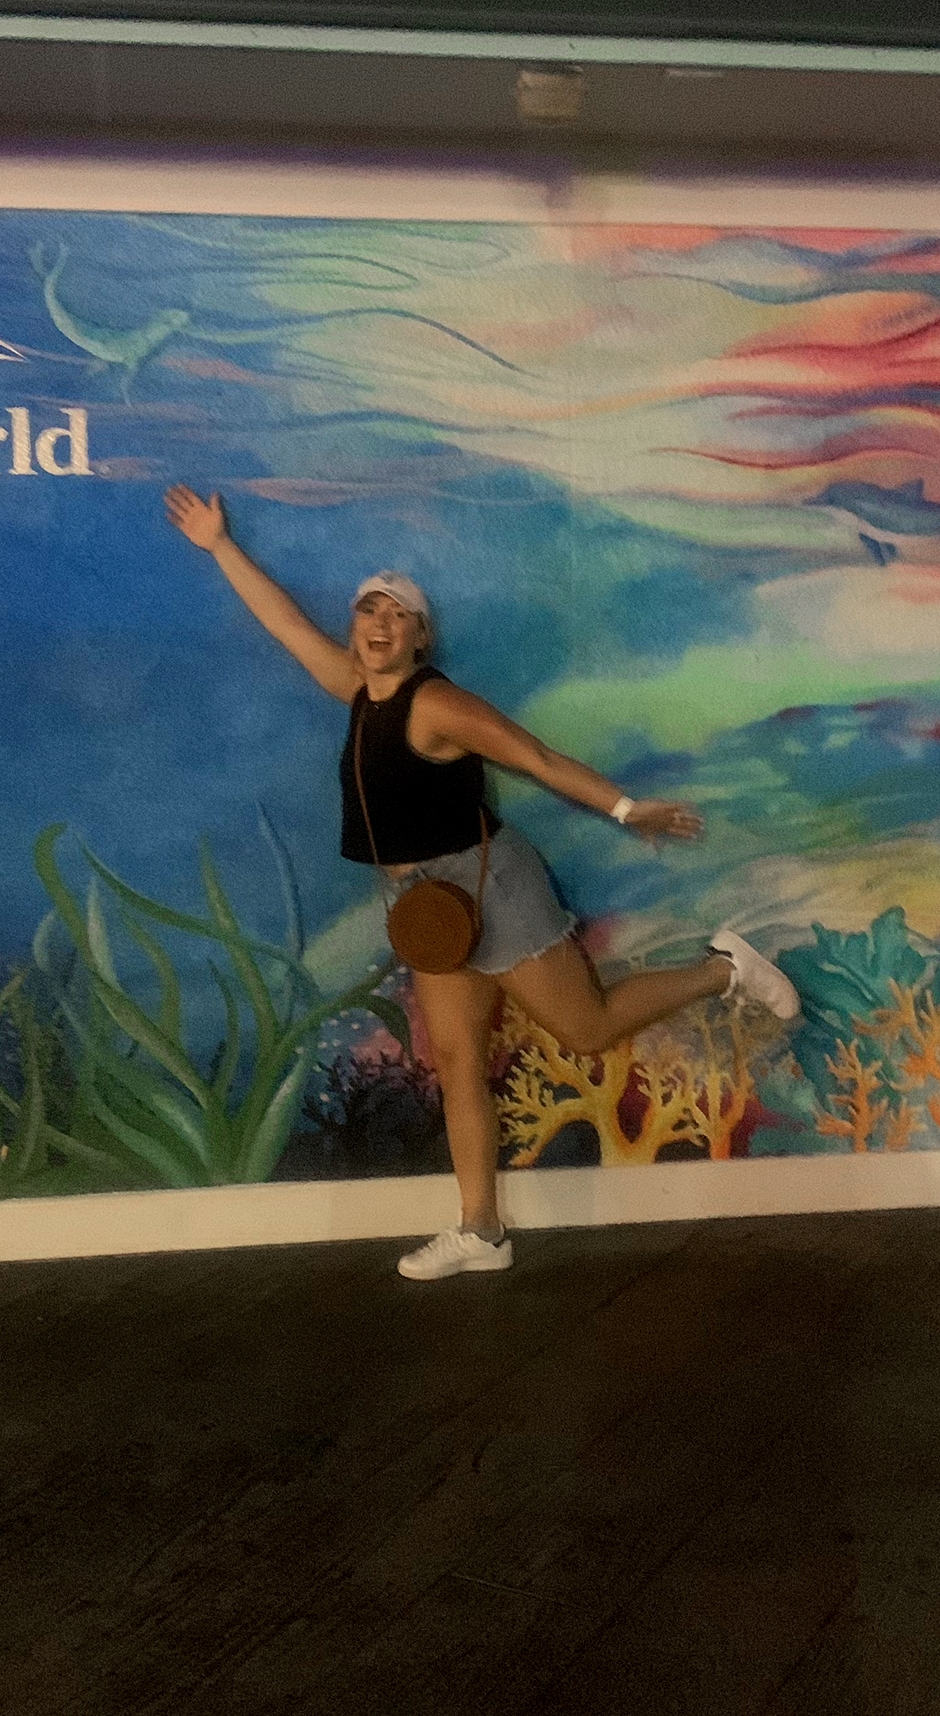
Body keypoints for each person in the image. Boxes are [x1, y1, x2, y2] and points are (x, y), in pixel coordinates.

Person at [165, 484, 800, 1281]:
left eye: (397, 615)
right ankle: (481, 1232)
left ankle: (724, 967)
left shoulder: (437, 706)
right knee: (458, 1059)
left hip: (489, 886)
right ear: (356, 626)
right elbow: (287, 624)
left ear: (419, 637)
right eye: (369, 610)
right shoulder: (355, 692)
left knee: (590, 1028)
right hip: (423, 909)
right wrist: (219, 544)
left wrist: (627, 807)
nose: (379, 625)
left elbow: (532, 756)